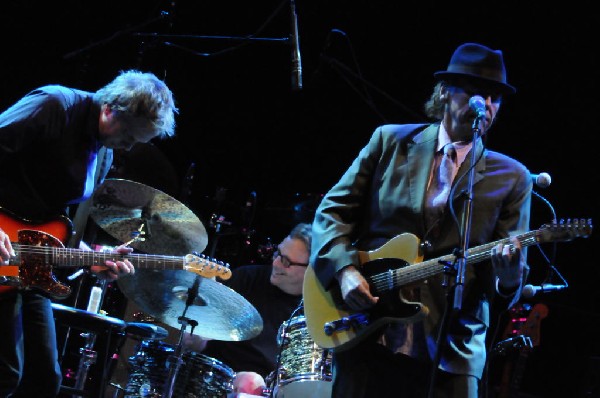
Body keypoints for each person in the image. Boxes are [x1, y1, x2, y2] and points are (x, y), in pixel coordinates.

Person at [308, 42, 531, 397]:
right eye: (476, 93)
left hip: (451, 350)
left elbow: (503, 283)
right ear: (445, 92)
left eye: (495, 98)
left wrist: (509, 277)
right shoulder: (390, 141)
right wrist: (344, 271)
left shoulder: (513, 177)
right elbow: (331, 212)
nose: (486, 106)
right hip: (370, 330)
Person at [0, 69, 178, 397]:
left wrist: (95, 257)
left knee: (42, 379)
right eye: (128, 137)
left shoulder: (104, 150)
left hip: (27, 265)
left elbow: (52, 223)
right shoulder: (54, 105)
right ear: (110, 108)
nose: (126, 148)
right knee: (5, 372)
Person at [183, 222, 312, 396]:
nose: (276, 263)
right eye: (278, 253)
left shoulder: (314, 313)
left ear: (312, 270)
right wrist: (196, 338)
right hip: (213, 382)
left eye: (286, 261)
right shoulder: (246, 278)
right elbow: (200, 341)